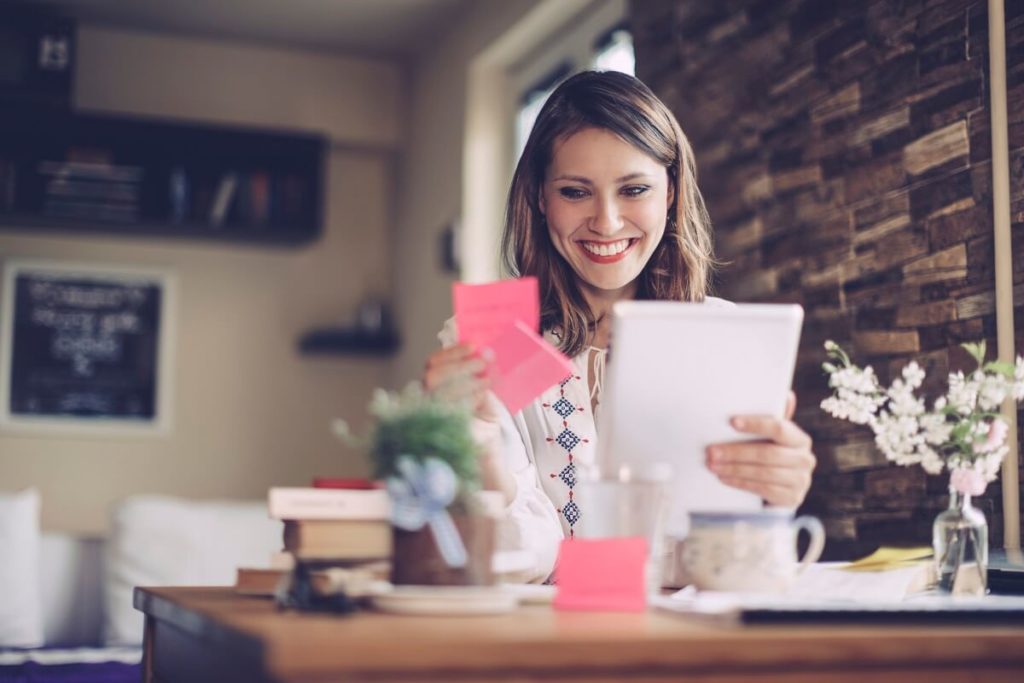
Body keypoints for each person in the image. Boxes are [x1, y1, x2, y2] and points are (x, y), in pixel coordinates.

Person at [423, 70, 815, 582]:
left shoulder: (722, 335)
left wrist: (774, 498)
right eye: (574, 191)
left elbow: (735, 562)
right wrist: (472, 447)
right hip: (545, 640)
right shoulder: (489, 337)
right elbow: (518, 558)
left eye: (634, 189)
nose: (606, 223)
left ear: (670, 193)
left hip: (688, 639)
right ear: (541, 198)